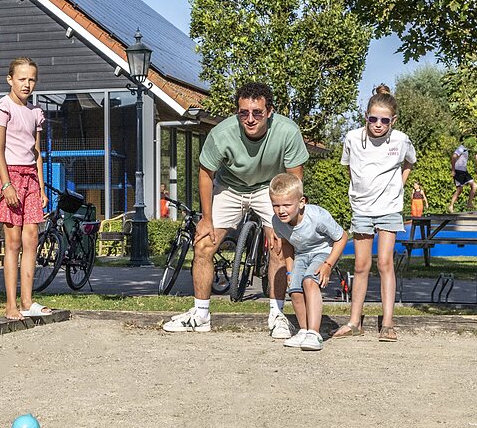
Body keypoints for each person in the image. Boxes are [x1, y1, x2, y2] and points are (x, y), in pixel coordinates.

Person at [162, 81, 310, 337]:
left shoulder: (287, 131)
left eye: (257, 113)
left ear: (270, 111)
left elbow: (294, 178)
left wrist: (290, 218)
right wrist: (206, 219)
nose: (250, 119)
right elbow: (206, 174)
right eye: (243, 113)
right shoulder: (221, 134)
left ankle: (277, 315)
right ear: (237, 113)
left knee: (278, 243)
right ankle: (201, 314)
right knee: (203, 244)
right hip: (230, 187)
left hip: (269, 186)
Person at [335, 86, 416, 341]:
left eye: (384, 120)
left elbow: (409, 163)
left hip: (389, 208)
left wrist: (398, 186)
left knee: (384, 262)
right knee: (361, 265)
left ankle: (388, 323)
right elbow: (349, 168)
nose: (378, 124)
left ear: (393, 120)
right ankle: (354, 322)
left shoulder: (401, 140)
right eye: (373, 118)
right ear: (366, 117)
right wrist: (360, 191)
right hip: (362, 208)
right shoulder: (352, 138)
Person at [0, 57, 50, 322]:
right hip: (8, 176)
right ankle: (10, 304)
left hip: (30, 177)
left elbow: (36, 151)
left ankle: (28, 301)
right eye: (22, 79)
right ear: (10, 79)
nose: (27, 84)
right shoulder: (2, 108)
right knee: (14, 242)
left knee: (32, 238)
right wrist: (6, 184)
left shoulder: (35, 112)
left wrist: (41, 186)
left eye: (31, 80)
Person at [268, 174, 348, 351]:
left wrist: (327, 265)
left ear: (301, 202)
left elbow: (342, 237)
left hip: (324, 252)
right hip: (302, 254)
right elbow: (287, 243)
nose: (281, 210)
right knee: (295, 289)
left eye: (287, 205)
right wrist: (289, 271)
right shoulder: (277, 222)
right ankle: (303, 330)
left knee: (309, 281)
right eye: (276, 205)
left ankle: (314, 333)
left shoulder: (317, 216)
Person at [447, 141, 475, 212]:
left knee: (474, 185)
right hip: (458, 171)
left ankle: (469, 203)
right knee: (459, 190)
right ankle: (451, 205)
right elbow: (453, 157)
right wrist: (453, 170)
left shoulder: (466, 149)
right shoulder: (461, 148)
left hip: (464, 171)